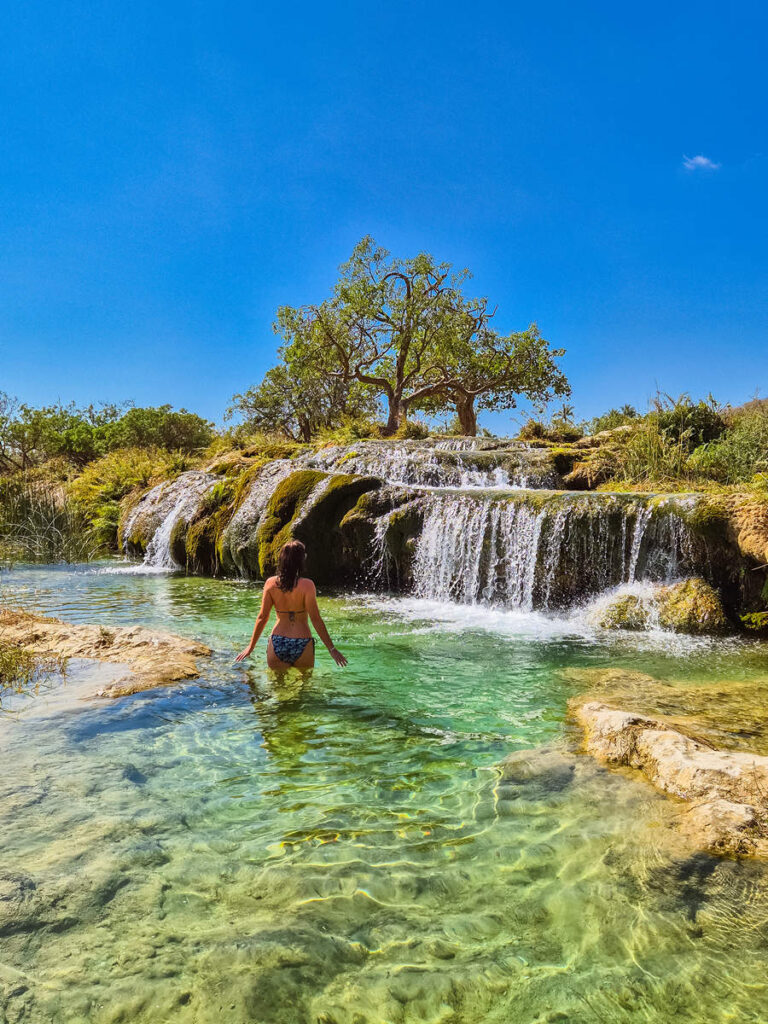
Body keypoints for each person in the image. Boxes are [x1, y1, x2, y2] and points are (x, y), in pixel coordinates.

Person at [235, 540, 348, 669]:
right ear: (301, 561)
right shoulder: (307, 585)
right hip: (302, 642)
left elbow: (262, 617)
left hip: (278, 641)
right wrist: (332, 649)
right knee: (305, 688)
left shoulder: (270, 583)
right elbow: (316, 619)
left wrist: (251, 646)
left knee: (277, 687)